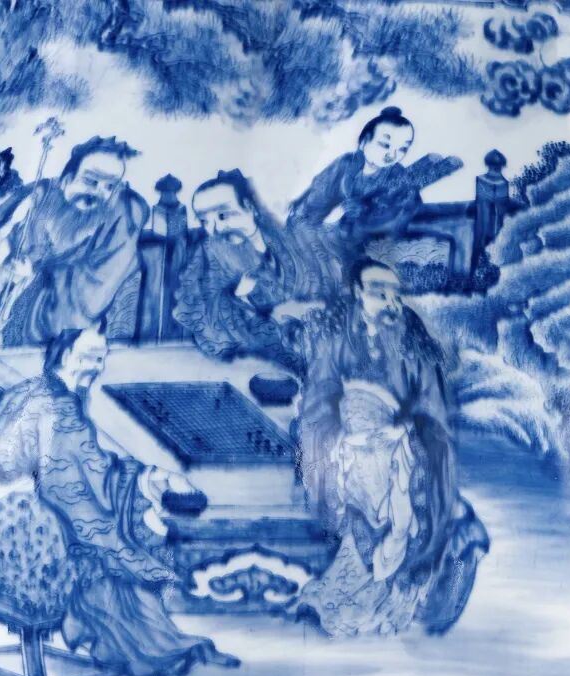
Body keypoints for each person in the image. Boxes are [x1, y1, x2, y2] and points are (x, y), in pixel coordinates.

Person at [0, 325, 239, 676]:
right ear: (65, 355)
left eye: (101, 358)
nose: (96, 366)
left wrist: (145, 477)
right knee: (116, 568)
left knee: (116, 548)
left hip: (10, 529)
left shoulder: (37, 390)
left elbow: (89, 469)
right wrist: (144, 488)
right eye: (89, 358)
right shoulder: (57, 408)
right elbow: (70, 491)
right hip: (35, 545)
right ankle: (160, 651)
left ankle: (168, 645)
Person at [294, 259, 488, 636]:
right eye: (378, 292)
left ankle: (403, 588)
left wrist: (403, 431)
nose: (389, 301)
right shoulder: (335, 338)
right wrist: (340, 438)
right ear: (358, 293)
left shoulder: (413, 340)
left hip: (402, 444)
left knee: (408, 504)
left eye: (394, 293)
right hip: (346, 445)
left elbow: (432, 409)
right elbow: (319, 399)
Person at [0, 135, 148, 350]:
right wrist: (1, 256)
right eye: (91, 181)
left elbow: (95, 287)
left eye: (109, 187)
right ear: (67, 178)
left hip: (43, 298)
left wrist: (34, 276)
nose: (98, 193)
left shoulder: (119, 216)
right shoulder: (40, 193)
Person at [172, 170, 327, 372]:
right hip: (250, 345)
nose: (215, 228)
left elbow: (314, 283)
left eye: (223, 215)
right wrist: (240, 296)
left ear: (250, 207)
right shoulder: (210, 251)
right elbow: (198, 305)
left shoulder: (284, 238)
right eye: (204, 221)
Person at [287, 106, 462, 268]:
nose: (392, 155)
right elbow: (317, 199)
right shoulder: (346, 164)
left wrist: (366, 210)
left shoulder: (399, 177)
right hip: (335, 233)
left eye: (402, 149)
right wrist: (305, 224)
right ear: (364, 142)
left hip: (368, 241)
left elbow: (393, 223)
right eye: (385, 145)